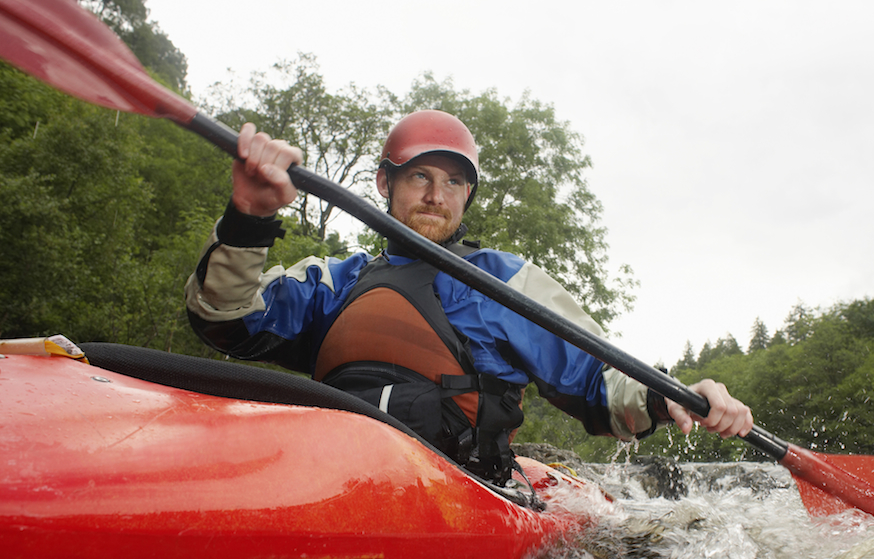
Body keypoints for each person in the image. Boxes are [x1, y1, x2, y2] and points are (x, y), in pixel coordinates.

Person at [185, 110, 753, 484]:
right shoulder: (337, 281)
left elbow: (597, 381)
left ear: (469, 194)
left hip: (462, 488)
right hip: (329, 477)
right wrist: (250, 216)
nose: (436, 196)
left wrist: (670, 396)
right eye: (419, 177)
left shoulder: (502, 282)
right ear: (385, 183)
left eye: (453, 182)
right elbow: (225, 318)